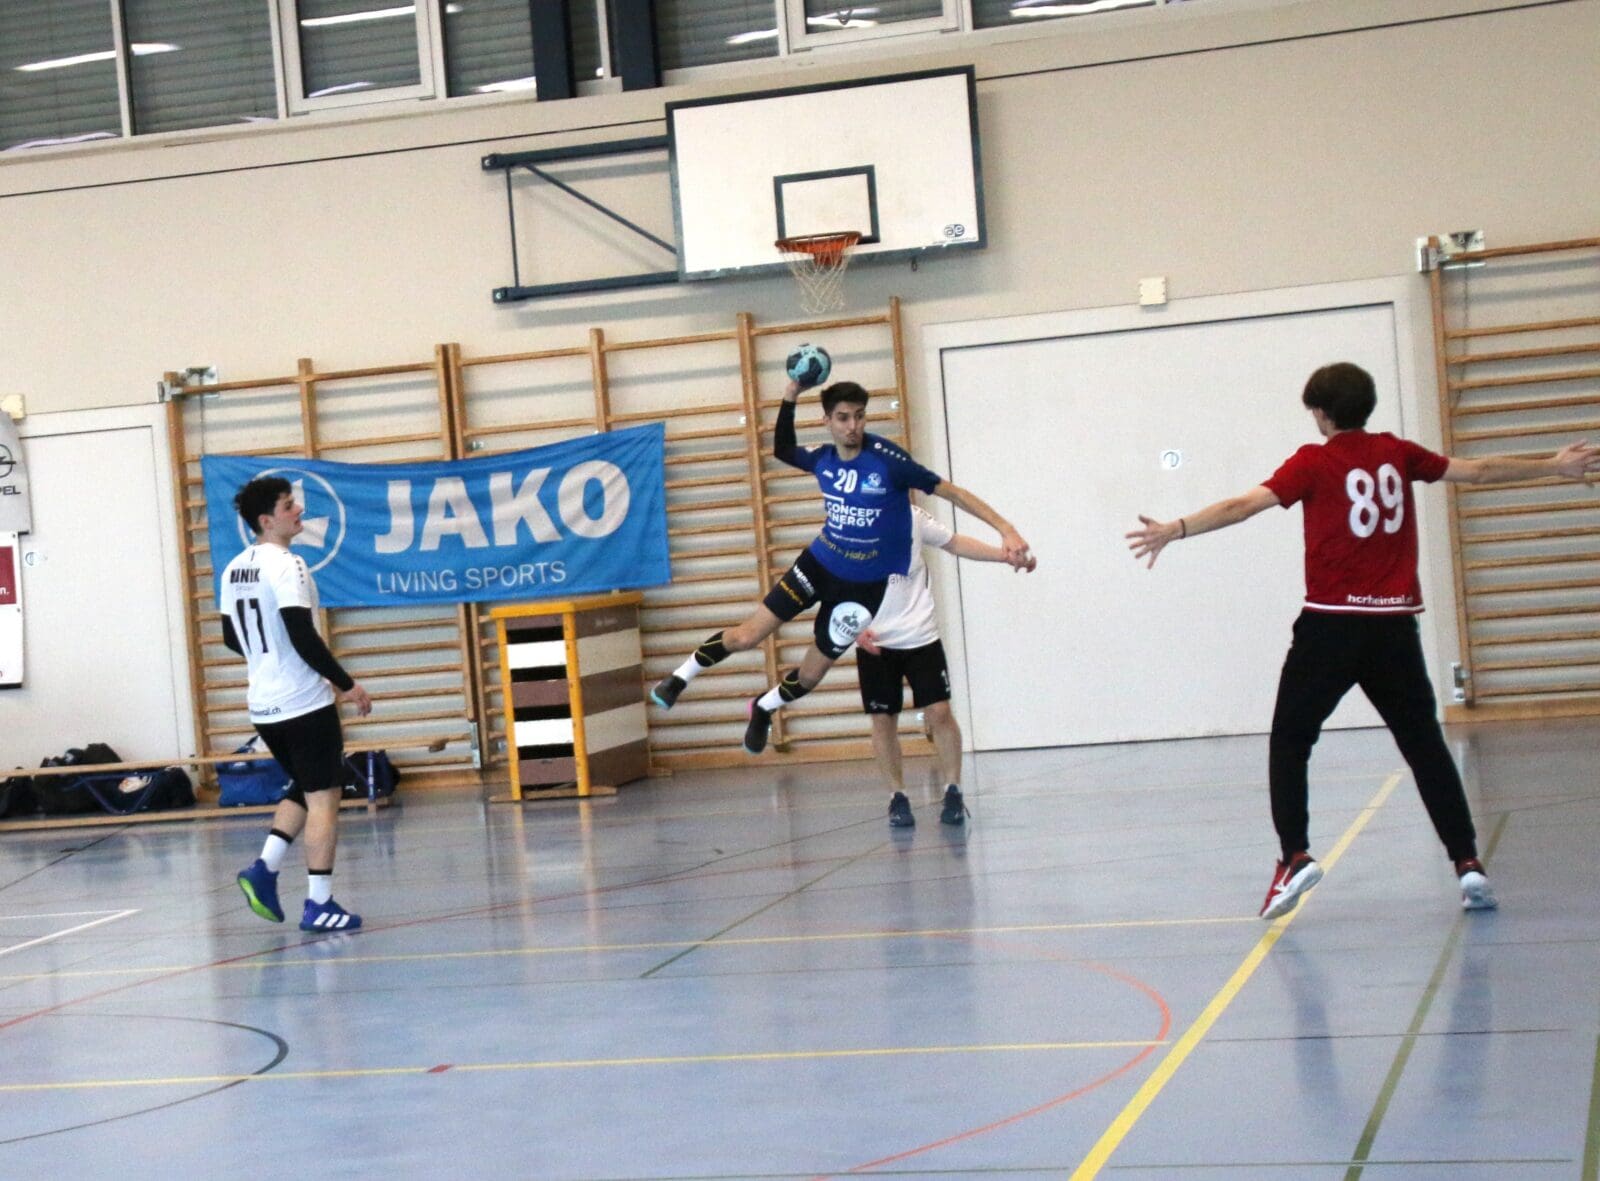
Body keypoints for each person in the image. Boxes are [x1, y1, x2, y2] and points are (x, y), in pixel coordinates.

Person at [1126, 361, 1600, 919]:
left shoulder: (1313, 461)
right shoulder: (1398, 453)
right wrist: (1552, 465)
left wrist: (1175, 528)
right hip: (1393, 629)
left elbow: (1242, 506)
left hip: (1331, 626)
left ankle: (1295, 857)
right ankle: (1468, 863)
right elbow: (1478, 470)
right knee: (1424, 747)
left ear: (1321, 413)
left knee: (1291, 740)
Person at [651, 371, 1032, 761]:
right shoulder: (823, 458)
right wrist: (791, 393)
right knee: (747, 636)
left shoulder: (889, 463)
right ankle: (679, 678)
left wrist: (1006, 530)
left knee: (811, 675)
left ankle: (763, 707)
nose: (853, 426)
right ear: (827, 421)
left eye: (860, 416)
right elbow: (782, 448)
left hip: (861, 590)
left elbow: (954, 493)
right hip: (817, 566)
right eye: (844, 418)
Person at [224, 476, 372, 933]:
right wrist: (345, 684)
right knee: (325, 797)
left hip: (263, 705)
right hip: (302, 704)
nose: (299, 511)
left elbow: (231, 636)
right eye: (289, 506)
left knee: (307, 785)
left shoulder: (233, 569)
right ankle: (319, 904)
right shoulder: (288, 565)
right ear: (267, 520)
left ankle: (264, 869)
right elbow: (301, 633)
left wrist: (269, 660)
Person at [856, 504, 1037, 828]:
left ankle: (953, 790)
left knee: (939, 711)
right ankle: (897, 796)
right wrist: (853, 626)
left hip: (920, 634)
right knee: (883, 719)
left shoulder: (912, 515)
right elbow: (834, 579)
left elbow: (954, 542)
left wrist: (1002, 556)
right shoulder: (848, 522)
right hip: (875, 639)